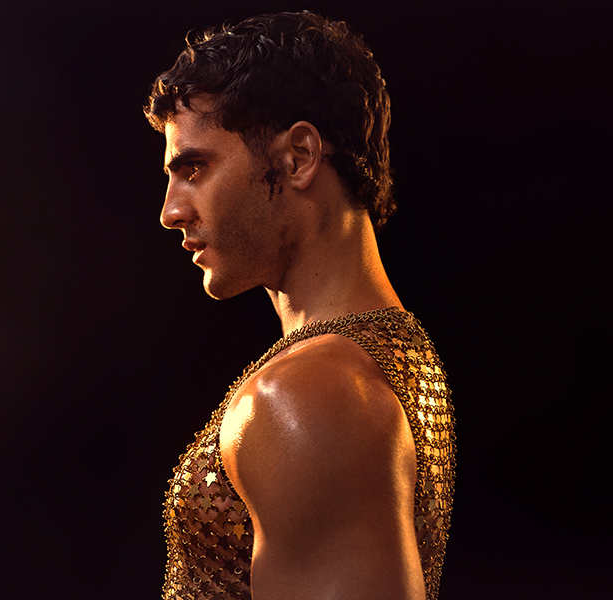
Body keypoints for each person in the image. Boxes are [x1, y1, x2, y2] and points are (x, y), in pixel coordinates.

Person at [144, 11, 455, 600]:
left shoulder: (309, 395)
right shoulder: (375, 356)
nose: (170, 211)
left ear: (298, 157)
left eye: (194, 168)